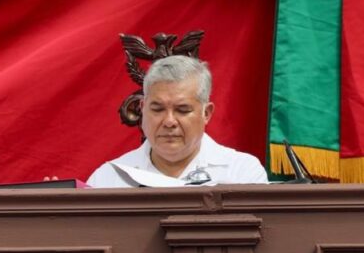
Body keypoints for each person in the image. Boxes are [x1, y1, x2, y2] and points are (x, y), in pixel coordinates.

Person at [87, 55, 268, 187]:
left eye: (182, 110)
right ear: (142, 109)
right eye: (158, 109)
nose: (169, 121)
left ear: (206, 113)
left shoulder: (241, 173)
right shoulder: (108, 179)